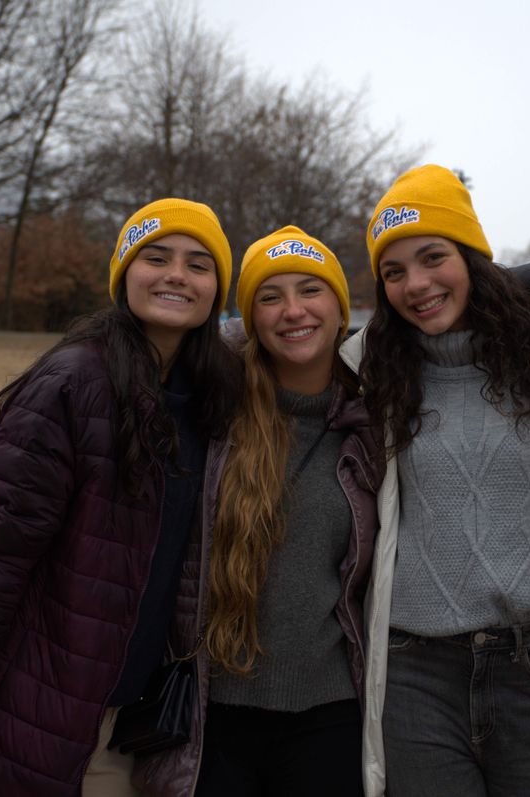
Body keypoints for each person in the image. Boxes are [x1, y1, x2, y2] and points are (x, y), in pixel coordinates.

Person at [0, 199, 242, 797]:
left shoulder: (205, 397)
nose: (177, 274)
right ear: (124, 274)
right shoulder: (72, 383)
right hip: (44, 721)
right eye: (156, 257)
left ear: (215, 291)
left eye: (199, 264)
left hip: (138, 722)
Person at [339, 164, 530, 797]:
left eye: (432, 257)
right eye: (394, 271)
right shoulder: (366, 373)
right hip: (415, 671)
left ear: (471, 257)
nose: (416, 284)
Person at [175, 226, 380, 796]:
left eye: (310, 290)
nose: (293, 311)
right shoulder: (212, 407)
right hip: (214, 710)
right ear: (251, 317)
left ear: (340, 308)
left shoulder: (377, 421)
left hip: (330, 711)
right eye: (270, 296)